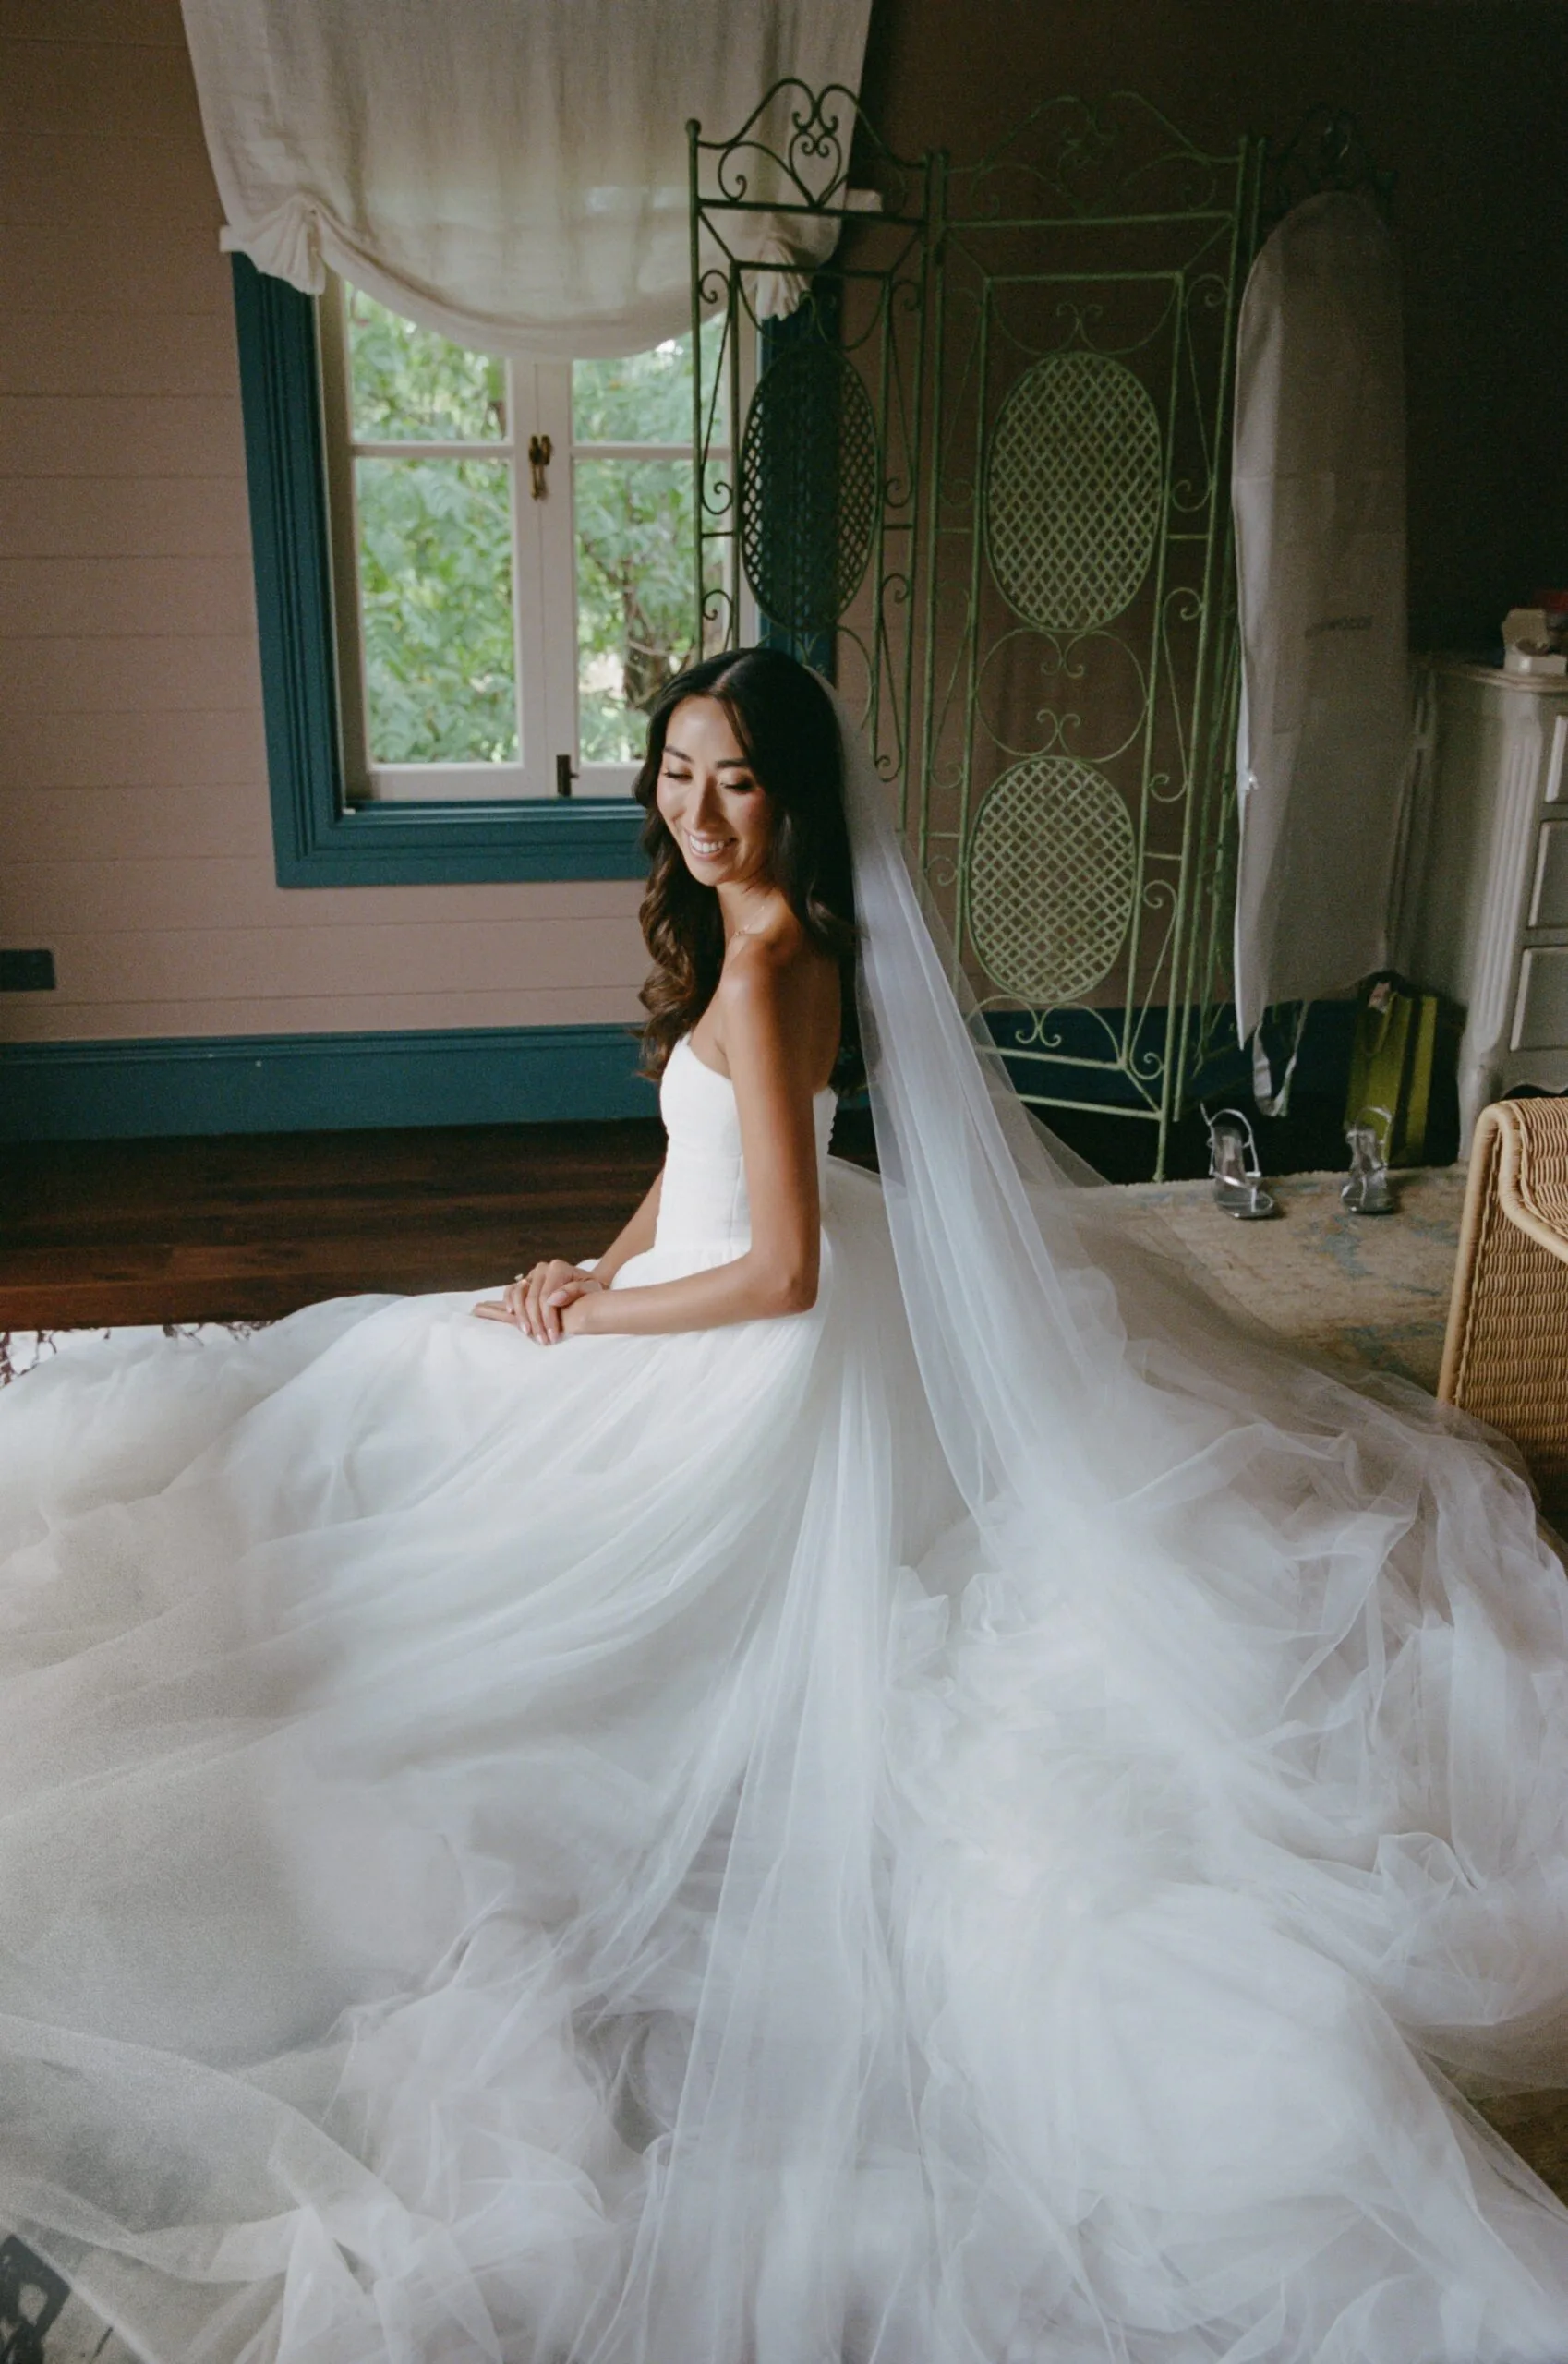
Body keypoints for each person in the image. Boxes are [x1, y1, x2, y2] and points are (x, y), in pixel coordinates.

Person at [2, 646, 1568, 2364]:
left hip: (757, 1343)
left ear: (793, 798)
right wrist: (573, 1277)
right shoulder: (745, 945)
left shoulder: (770, 964)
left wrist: (609, 1322)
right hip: (701, 1277)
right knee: (425, 1370)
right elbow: (698, 1175)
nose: (695, 810)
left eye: (734, 780)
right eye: (674, 773)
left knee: (451, 1537)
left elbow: (783, 1271)